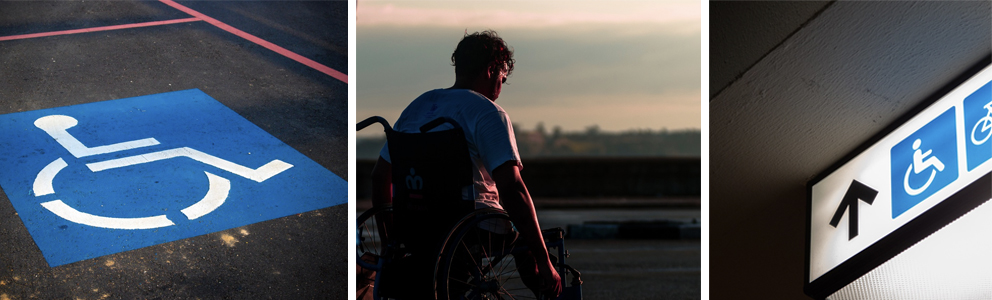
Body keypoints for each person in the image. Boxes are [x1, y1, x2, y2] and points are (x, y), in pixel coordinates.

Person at [371, 30, 562, 298]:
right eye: (502, 79)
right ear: (491, 70)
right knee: (526, 239)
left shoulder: (417, 106)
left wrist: (389, 242)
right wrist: (544, 260)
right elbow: (513, 189)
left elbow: (380, 177)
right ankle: (548, 288)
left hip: (415, 226)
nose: (499, 89)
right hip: (471, 227)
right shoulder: (486, 112)